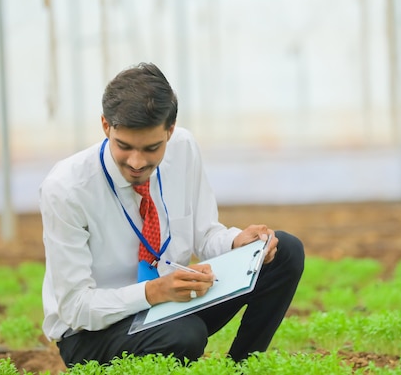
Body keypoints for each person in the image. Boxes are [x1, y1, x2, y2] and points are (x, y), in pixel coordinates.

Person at [39, 62, 305, 367]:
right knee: (183, 335)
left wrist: (235, 243)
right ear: (105, 126)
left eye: (152, 148)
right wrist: (153, 291)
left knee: (283, 252)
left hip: (171, 302)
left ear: (170, 130)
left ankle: (240, 368)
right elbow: (75, 307)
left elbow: (205, 235)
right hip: (93, 332)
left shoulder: (183, 149)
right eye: (124, 146)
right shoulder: (67, 188)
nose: (137, 162)